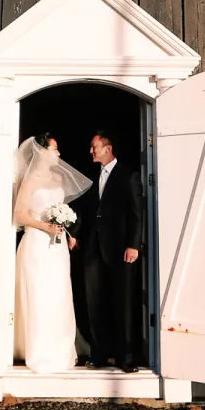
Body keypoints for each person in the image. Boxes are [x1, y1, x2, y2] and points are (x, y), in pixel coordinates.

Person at [11, 133, 92, 373]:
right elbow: (21, 214)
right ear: (41, 151)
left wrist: (68, 231)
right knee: (39, 296)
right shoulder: (29, 181)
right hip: (37, 244)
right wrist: (45, 226)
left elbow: (62, 210)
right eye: (55, 149)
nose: (58, 154)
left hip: (57, 247)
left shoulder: (58, 177)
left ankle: (61, 349)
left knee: (59, 296)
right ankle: (39, 352)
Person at [67, 130, 145, 372]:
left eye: (94, 146)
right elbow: (84, 208)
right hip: (93, 250)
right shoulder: (93, 176)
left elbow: (136, 213)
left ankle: (127, 358)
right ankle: (98, 355)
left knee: (123, 303)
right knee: (94, 304)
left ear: (107, 148)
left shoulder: (128, 176)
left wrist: (134, 244)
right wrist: (75, 233)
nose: (91, 151)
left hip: (121, 250)